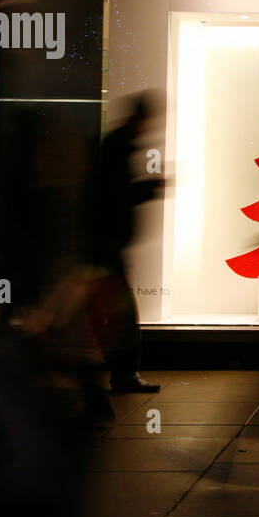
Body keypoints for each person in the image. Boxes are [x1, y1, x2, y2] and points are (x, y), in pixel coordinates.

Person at [86, 92, 164, 394]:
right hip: (109, 245)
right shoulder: (119, 149)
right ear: (141, 120)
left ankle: (115, 372)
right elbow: (117, 198)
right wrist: (150, 188)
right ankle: (124, 374)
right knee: (121, 313)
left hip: (105, 245)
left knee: (110, 310)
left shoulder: (113, 146)